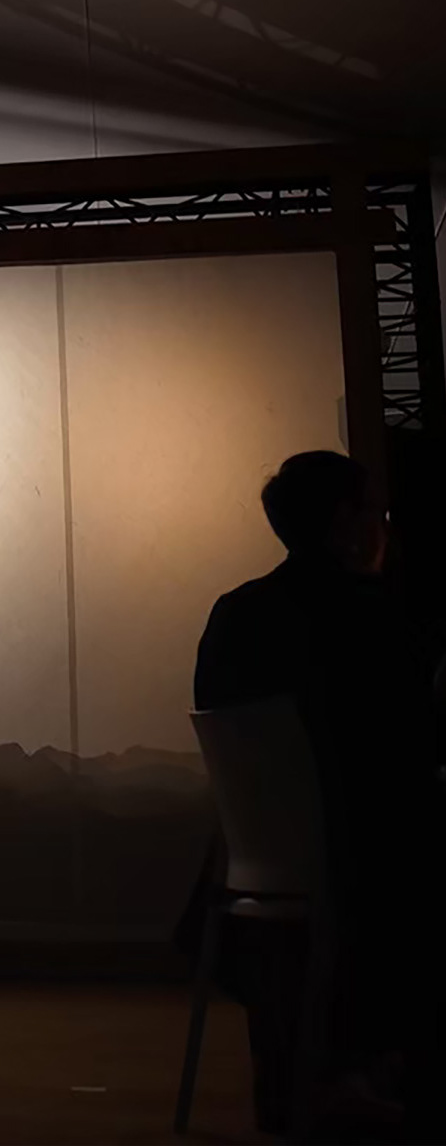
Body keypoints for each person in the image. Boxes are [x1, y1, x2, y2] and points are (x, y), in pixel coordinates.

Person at [185, 450, 442, 1135]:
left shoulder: (234, 613)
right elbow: (411, 743)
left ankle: (317, 1073)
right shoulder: (371, 617)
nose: (384, 527)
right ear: (344, 524)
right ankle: (380, 1065)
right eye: (375, 512)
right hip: (350, 857)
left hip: (255, 866)